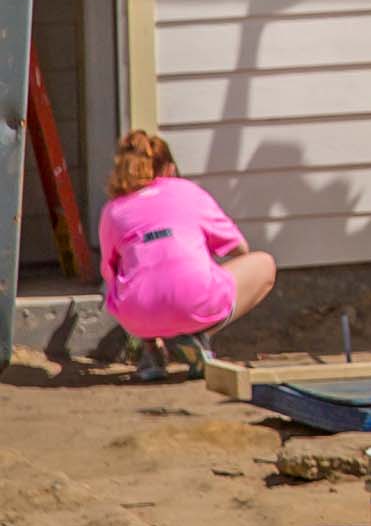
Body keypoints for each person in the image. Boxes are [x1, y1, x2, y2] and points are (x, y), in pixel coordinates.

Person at [98, 131, 276, 381]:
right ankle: (198, 336)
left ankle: (152, 352)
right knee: (264, 264)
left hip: (138, 314)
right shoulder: (187, 192)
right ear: (169, 169)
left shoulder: (113, 210)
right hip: (194, 301)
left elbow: (109, 270)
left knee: (118, 281)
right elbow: (240, 249)